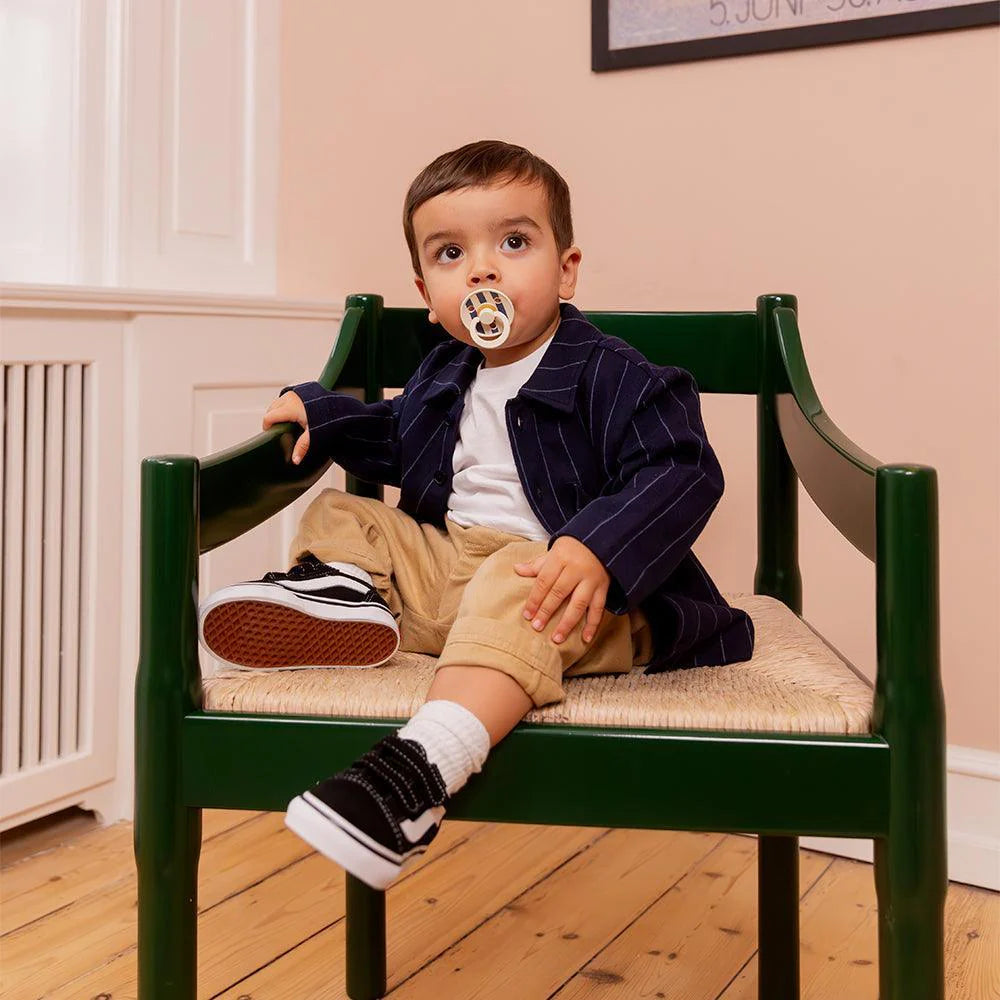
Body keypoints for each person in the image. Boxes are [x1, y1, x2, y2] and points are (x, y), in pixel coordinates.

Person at [197, 139, 754, 891]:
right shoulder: (444, 372)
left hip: (572, 595)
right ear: (428, 294)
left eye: (513, 243)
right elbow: (394, 436)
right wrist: (323, 414)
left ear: (566, 269)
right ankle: (345, 596)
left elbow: (682, 470)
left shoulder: (615, 374)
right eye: (451, 253)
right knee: (344, 512)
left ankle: (419, 773)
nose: (482, 270)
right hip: (454, 574)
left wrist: (597, 547)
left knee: (514, 576)